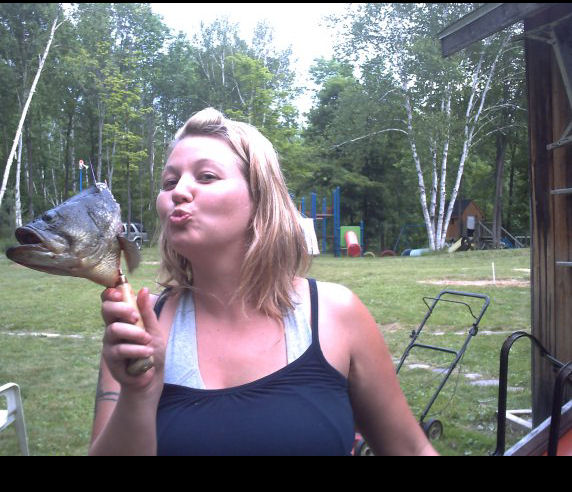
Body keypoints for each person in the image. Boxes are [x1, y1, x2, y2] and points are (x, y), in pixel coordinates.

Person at [89, 108, 438, 456]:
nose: (178, 191)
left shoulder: (336, 314)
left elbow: (410, 448)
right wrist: (138, 395)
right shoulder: (139, 330)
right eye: (169, 182)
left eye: (206, 176)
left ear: (260, 197)